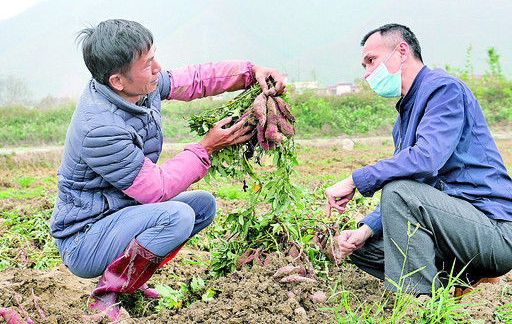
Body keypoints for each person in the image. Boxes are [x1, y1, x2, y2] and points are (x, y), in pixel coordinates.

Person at [50, 19, 286, 321]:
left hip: (120, 216)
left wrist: (250, 73)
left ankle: (129, 283)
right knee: (178, 216)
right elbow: (155, 189)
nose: (158, 68)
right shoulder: (100, 129)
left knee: (202, 206)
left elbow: (196, 79)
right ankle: (107, 295)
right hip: (85, 238)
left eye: (153, 57)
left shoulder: (135, 87)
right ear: (117, 80)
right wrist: (206, 148)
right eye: (148, 64)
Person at [325, 23, 512, 296]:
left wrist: (355, 179)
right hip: (453, 230)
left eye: (371, 61)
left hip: (493, 230)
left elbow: (425, 161)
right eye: (364, 66)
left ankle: (418, 303)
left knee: (398, 192)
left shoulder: (443, 90)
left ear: (401, 51)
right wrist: (365, 230)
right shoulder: (403, 120)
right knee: (362, 248)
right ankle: (463, 281)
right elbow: (412, 187)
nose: (366, 74)